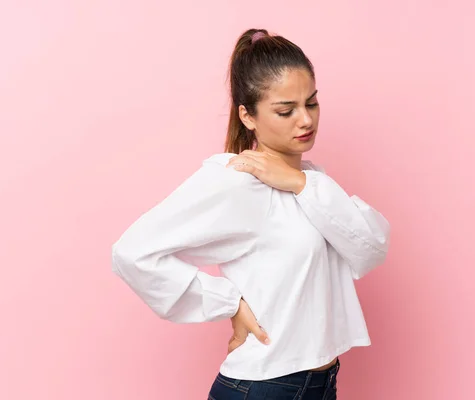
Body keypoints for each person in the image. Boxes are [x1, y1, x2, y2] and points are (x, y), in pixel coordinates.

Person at [111, 28, 391, 400]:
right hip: (264, 387)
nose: (305, 120)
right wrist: (228, 302)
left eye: (312, 103)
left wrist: (298, 182)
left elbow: (370, 247)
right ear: (247, 116)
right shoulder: (238, 181)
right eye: (286, 110)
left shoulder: (313, 181)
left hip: (320, 383)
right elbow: (131, 252)